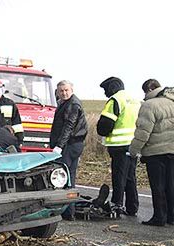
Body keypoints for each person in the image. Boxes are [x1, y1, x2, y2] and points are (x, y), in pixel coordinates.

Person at [129, 79, 174, 226]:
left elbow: (143, 133)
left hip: (156, 153)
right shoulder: (172, 101)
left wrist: (133, 151)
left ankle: (159, 217)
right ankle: (171, 217)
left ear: (148, 90)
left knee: (158, 186)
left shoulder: (149, 105)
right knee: (171, 185)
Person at [97, 77, 140, 218]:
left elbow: (105, 125)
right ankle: (132, 207)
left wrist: (101, 129)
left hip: (119, 146)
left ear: (111, 88)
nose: (105, 93)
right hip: (133, 144)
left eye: (105, 90)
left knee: (119, 176)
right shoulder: (134, 100)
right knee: (130, 176)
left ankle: (117, 205)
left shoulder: (115, 100)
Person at [50, 80, 88, 220]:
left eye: (66, 90)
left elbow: (69, 126)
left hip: (70, 144)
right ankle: (68, 211)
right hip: (71, 143)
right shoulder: (65, 103)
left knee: (64, 177)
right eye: (61, 91)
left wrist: (59, 145)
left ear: (72, 90)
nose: (64, 93)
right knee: (68, 176)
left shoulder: (73, 104)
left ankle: (68, 211)